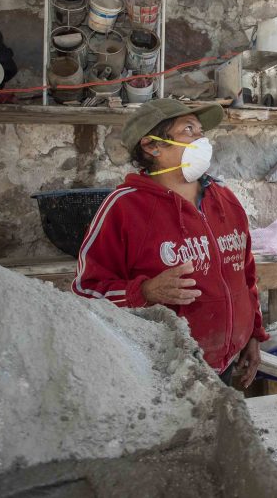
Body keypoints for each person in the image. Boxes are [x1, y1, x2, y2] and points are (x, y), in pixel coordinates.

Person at [72, 99, 267, 387]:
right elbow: (85, 292)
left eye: (201, 131)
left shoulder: (224, 198)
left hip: (226, 365)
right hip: (163, 372)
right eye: (189, 129)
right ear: (153, 146)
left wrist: (253, 332)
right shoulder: (123, 208)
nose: (202, 139)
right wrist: (146, 291)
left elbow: (245, 273)